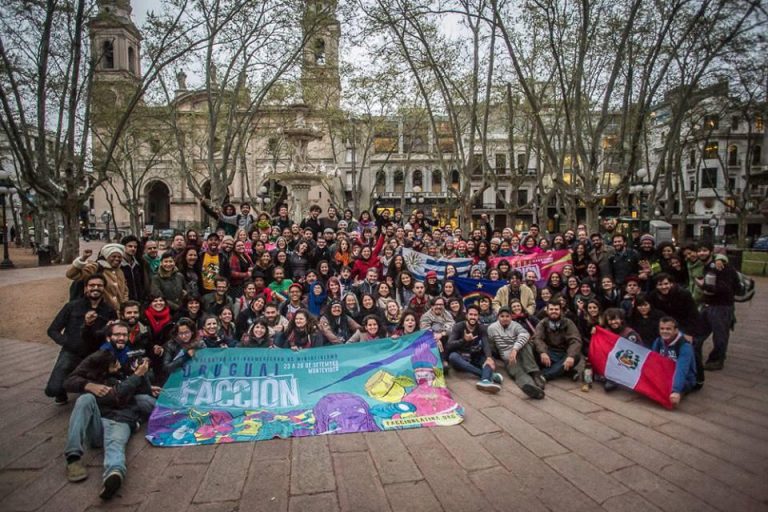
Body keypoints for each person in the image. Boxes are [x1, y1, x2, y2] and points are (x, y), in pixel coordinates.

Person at [63, 344, 159, 499]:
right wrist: (137, 376)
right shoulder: (98, 383)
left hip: (120, 421)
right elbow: (116, 395)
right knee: (84, 399)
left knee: (116, 445)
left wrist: (143, 374)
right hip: (99, 423)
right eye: (115, 364)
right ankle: (73, 457)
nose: (119, 364)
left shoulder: (125, 371)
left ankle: (113, 475)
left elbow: (145, 392)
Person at [46, 274, 117, 405]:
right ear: (85, 288)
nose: (95, 288)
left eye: (99, 285)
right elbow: (52, 330)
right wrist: (67, 343)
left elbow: (112, 334)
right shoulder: (71, 306)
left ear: (103, 288)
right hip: (72, 351)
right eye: (92, 285)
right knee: (53, 389)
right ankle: (63, 388)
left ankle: (83, 385)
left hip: (94, 353)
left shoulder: (109, 310)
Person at [487, 306, 545, 398]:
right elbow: (491, 345)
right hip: (508, 357)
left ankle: (535, 373)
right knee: (518, 373)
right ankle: (533, 389)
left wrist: (515, 349)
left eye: (507, 316)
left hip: (520, 352)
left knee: (526, 342)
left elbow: (525, 334)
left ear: (511, 317)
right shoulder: (491, 329)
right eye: (502, 316)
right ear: (498, 317)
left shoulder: (515, 325)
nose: (505, 318)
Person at [697, 249, 738, 371]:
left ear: (710, 251)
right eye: (699, 250)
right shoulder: (706, 265)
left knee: (720, 335)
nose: (701, 253)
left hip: (722, 306)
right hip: (707, 305)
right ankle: (696, 356)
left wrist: (704, 285)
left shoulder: (723, 267)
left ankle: (716, 360)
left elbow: (726, 288)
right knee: (697, 333)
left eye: (704, 250)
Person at [446, 305, 502, 393]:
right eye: (471, 314)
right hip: (461, 356)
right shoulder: (458, 326)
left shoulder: (481, 328)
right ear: (466, 315)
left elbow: (485, 343)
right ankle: (487, 376)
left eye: (475, 315)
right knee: (453, 357)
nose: (473, 317)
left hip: (474, 356)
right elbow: (449, 345)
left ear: (478, 316)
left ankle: (485, 381)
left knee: (489, 359)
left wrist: (489, 357)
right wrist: (464, 340)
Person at [651, 317, 697, 407]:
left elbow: (682, 370)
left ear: (676, 330)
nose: (664, 331)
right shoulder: (658, 341)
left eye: (668, 329)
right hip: (666, 373)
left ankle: (678, 394)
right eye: (662, 329)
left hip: (684, 377)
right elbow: (652, 360)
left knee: (668, 396)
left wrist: (675, 390)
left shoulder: (685, 346)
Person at [66, 245, 129, 312]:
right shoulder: (96, 267)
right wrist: (83, 259)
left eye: (119, 257)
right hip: (98, 312)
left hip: (116, 313)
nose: (117, 259)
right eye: (113, 256)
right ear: (107, 257)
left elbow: (124, 290)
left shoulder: (120, 272)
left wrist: (124, 305)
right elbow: (71, 274)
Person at [531, 301, 582, 381]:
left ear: (560, 311)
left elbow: (575, 340)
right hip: (548, 353)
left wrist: (571, 356)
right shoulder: (543, 323)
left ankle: (545, 375)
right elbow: (537, 338)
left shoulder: (568, 323)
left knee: (576, 356)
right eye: (551, 309)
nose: (554, 311)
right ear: (547, 311)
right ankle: (567, 371)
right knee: (534, 348)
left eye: (556, 309)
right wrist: (543, 352)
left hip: (563, 353)